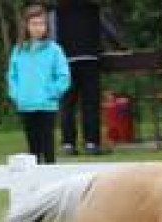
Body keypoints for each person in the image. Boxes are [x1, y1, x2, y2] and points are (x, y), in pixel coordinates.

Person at [7, 4, 70, 164]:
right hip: (26, 105)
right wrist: (16, 94)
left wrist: (52, 92)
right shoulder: (18, 50)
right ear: (27, 26)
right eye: (34, 24)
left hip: (46, 106)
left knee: (48, 148)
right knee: (33, 150)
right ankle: (35, 186)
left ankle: (51, 184)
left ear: (47, 26)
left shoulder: (55, 50)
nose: (38, 28)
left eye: (41, 24)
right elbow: (12, 76)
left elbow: (63, 76)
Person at [55, 0, 117, 155]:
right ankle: (91, 143)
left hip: (67, 55)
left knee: (68, 103)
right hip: (88, 53)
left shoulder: (59, 6)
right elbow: (105, 25)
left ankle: (69, 143)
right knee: (89, 102)